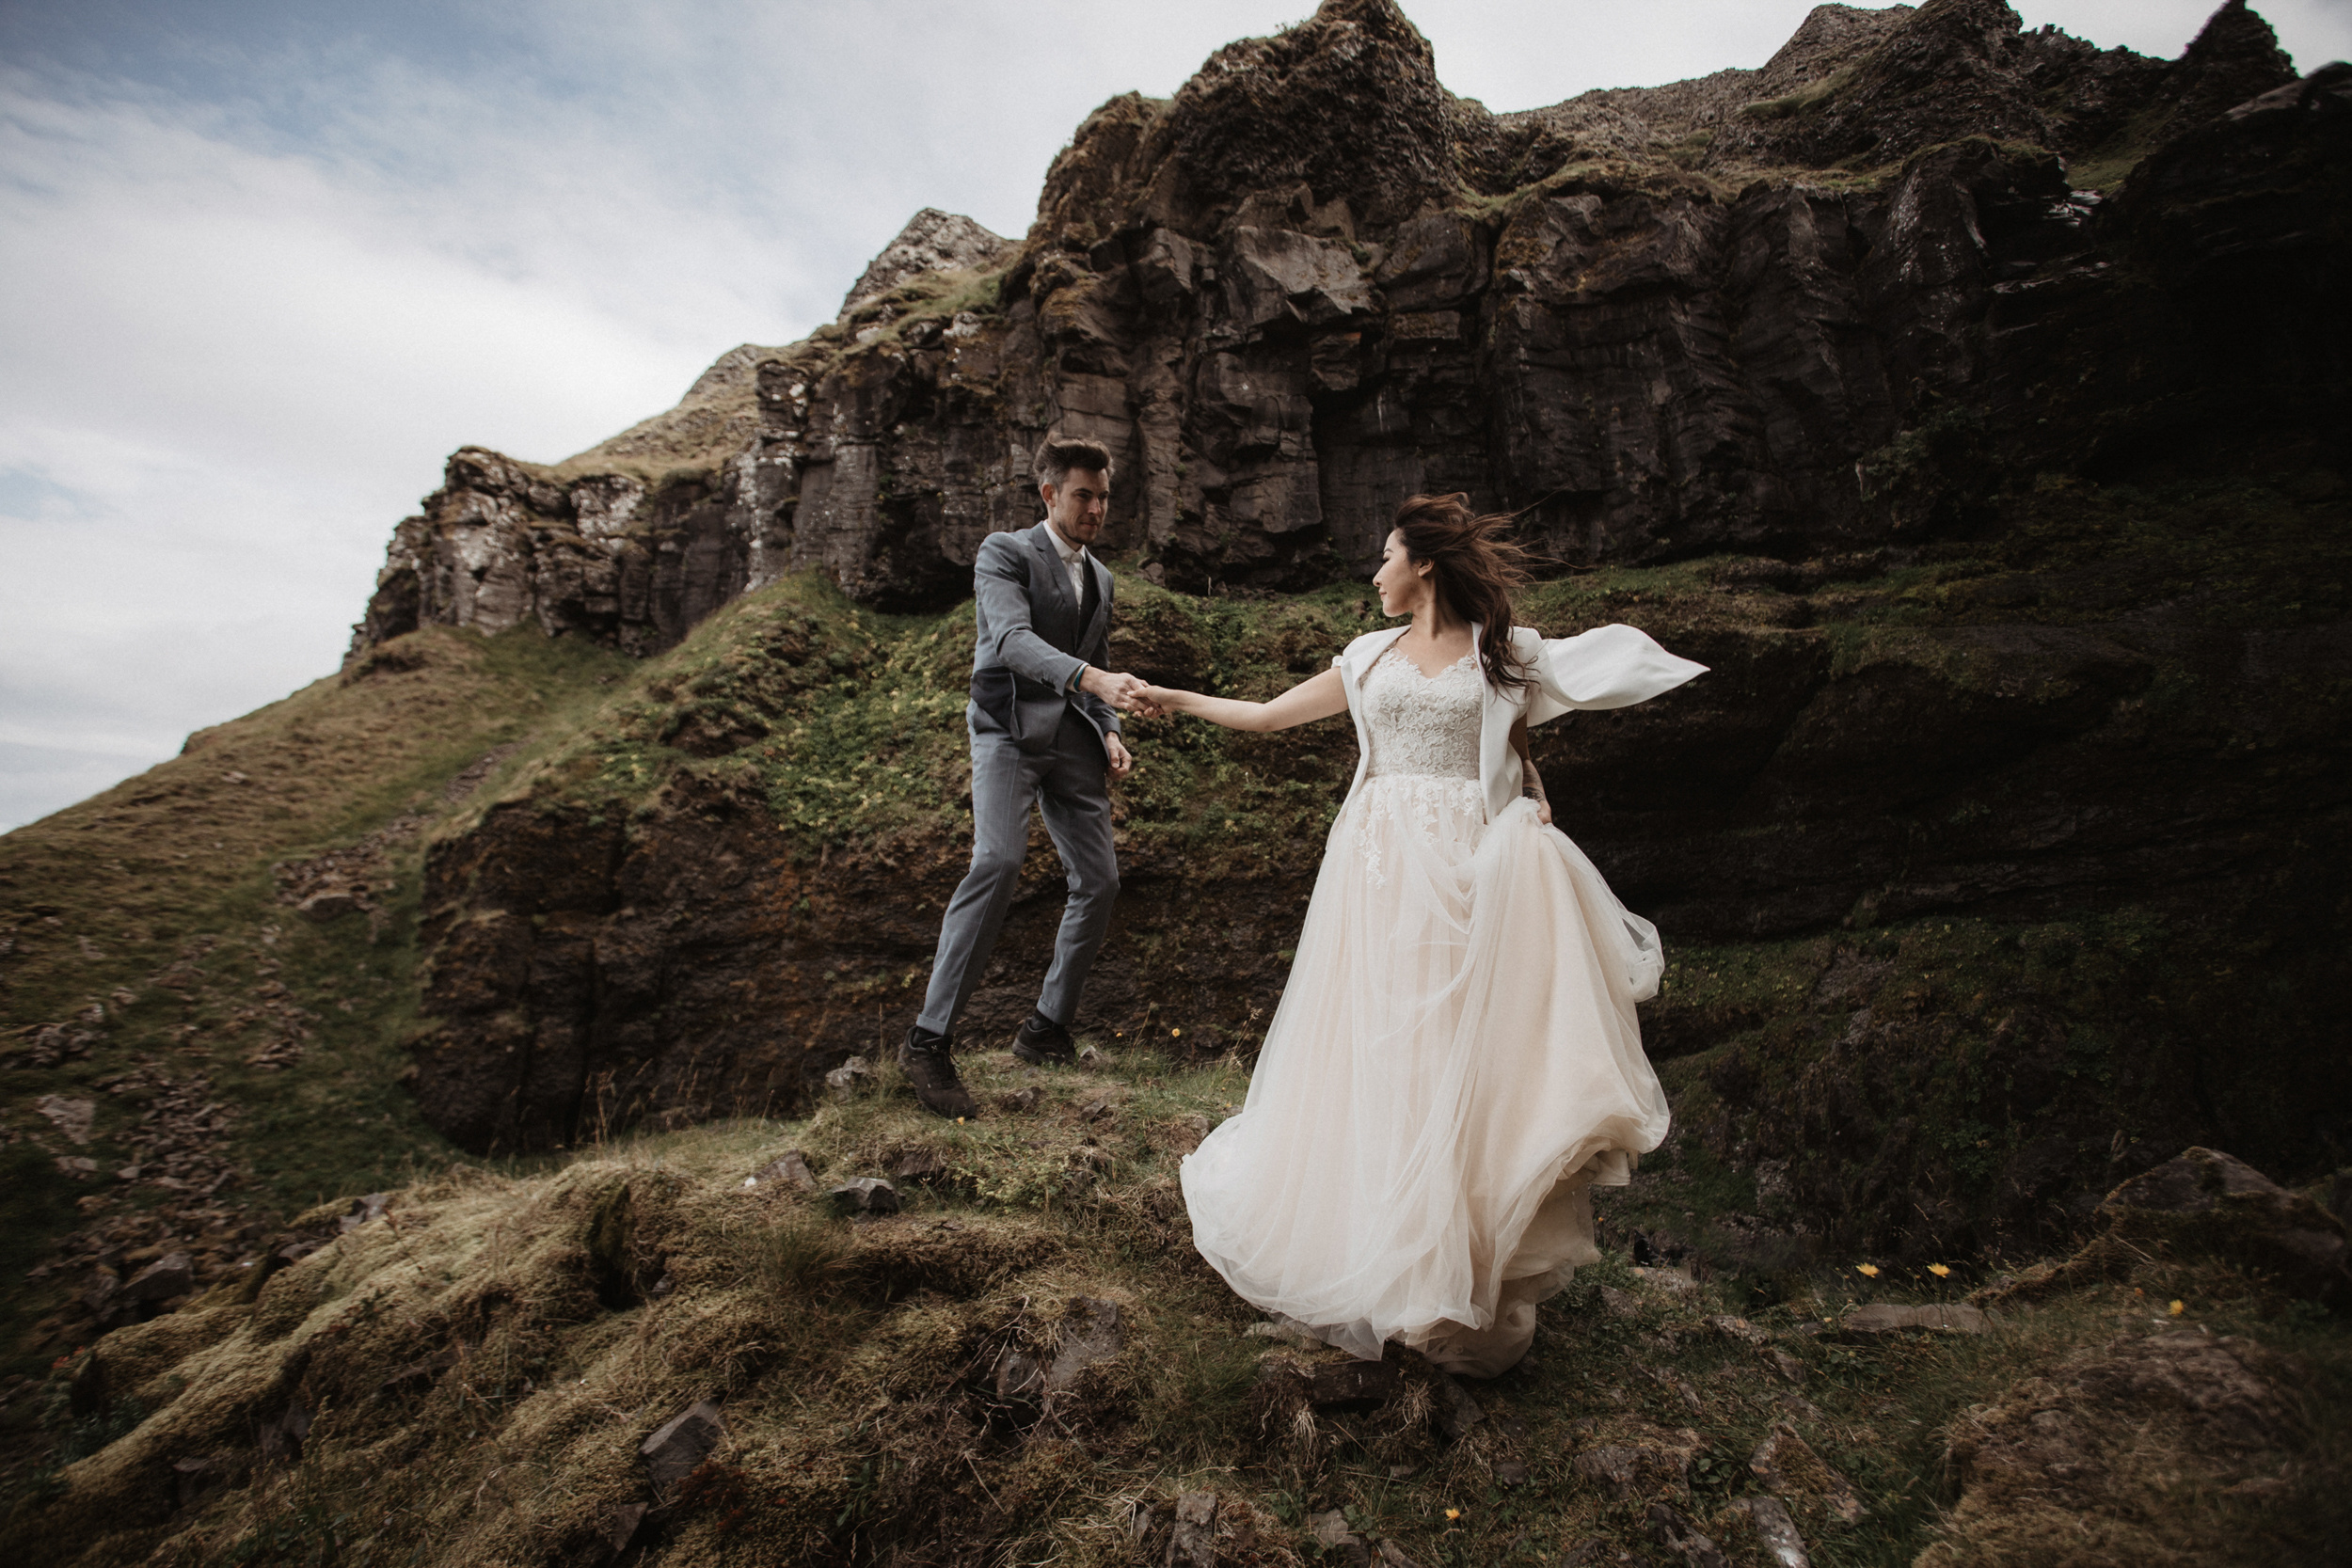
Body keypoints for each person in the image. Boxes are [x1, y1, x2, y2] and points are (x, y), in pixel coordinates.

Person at [1141, 493, 1706, 1377]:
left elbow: (1523, 740)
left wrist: (1536, 789)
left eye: (1386, 555)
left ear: (1425, 566)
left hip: (1468, 875)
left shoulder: (1501, 654)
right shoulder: (1367, 658)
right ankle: (1378, 1256)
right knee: (1382, 1053)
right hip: (1377, 877)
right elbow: (1265, 714)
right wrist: (1173, 698)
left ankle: (1450, 1273)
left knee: (1455, 1060)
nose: (1375, 572)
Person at [900, 434, 1157, 1118]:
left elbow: (1095, 659)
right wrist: (1095, 678)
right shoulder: (1004, 552)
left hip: (1074, 739)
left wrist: (1109, 729)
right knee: (999, 860)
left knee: (1100, 880)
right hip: (1008, 729)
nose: (1096, 508)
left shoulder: (1101, 577)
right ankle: (928, 1042)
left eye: (1104, 497)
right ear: (1049, 494)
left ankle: (1045, 1029)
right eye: (1083, 495)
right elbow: (1011, 642)